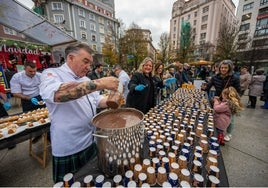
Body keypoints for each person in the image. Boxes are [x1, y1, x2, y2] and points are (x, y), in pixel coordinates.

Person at [39, 43, 119, 183]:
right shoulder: (52, 74)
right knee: (70, 183)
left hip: (90, 140)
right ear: (70, 58)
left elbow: (96, 100)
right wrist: (101, 83)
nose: (89, 67)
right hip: (70, 145)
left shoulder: (86, 79)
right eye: (85, 61)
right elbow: (59, 95)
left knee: (91, 181)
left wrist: (111, 101)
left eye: (90, 63)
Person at [201, 60, 240, 142]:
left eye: (225, 68)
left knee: (230, 118)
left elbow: (238, 91)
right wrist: (203, 89)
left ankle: (229, 133)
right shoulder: (215, 77)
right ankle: (217, 130)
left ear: (229, 68)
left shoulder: (234, 78)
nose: (223, 69)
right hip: (219, 98)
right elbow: (208, 86)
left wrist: (233, 100)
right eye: (222, 67)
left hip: (229, 100)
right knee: (217, 114)